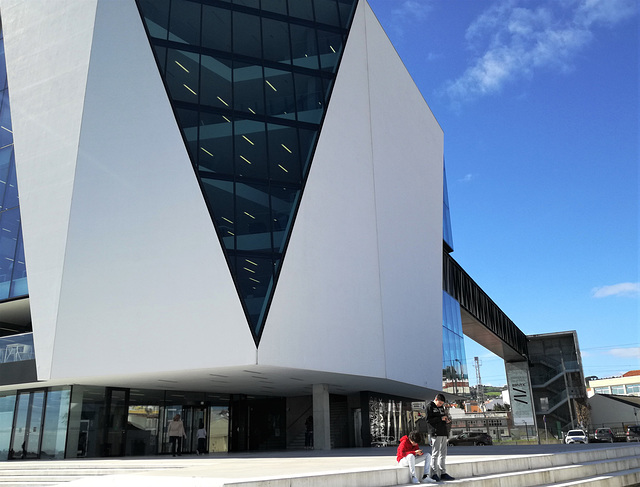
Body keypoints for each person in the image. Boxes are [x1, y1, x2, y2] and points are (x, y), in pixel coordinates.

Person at [426, 393, 455, 481]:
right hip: (435, 432)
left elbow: (442, 417)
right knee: (435, 454)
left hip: (443, 432)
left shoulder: (441, 407)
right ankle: (434, 473)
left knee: (443, 454)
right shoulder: (429, 406)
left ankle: (443, 473)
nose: (440, 405)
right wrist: (440, 419)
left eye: (442, 404)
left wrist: (446, 420)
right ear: (436, 399)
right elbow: (428, 420)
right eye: (440, 403)